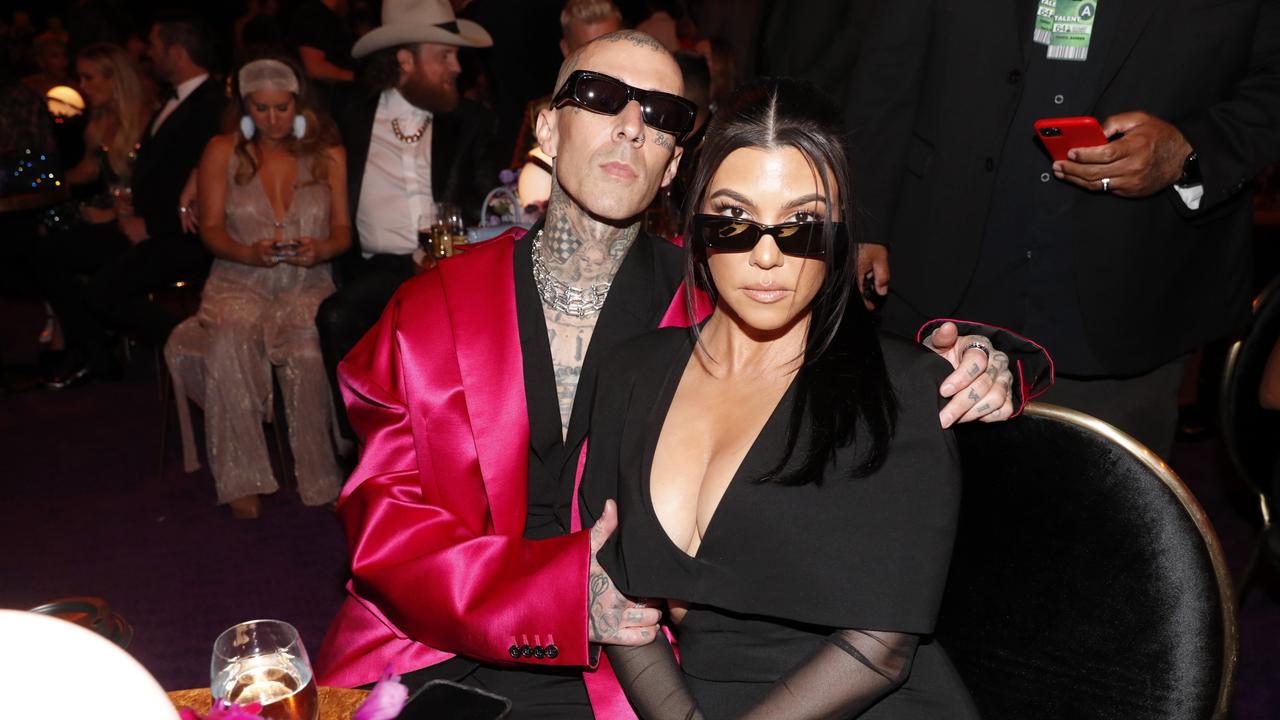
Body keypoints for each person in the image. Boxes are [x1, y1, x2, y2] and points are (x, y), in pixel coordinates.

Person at [315, 30, 1043, 717]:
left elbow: (846, 352)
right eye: (600, 96)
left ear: (671, 168)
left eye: (661, 114)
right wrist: (556, 595)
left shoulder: (722, 300)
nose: (631, 124)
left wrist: (989, 365)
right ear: (545, 131)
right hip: (439, 638)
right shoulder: (431, 307)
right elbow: (384, 526)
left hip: (630, 669)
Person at [582, 77, 981, 720]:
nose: (767, 256)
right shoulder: (630, 372)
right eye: (735, 221)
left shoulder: (902, 387)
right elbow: (616, 598)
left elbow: (881, 649)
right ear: (697, 225)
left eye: (802, 225)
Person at [847, 0, 1280, 459]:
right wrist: (862, 219)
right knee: (908, 501)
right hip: (935, 266)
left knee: (1097, 520)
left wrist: (1189, 151)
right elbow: (887, 69)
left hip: (1133, 288)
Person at [164, 56, 350, 519]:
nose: (272, 119)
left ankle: (323, 476)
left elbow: (344, 231)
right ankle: (240, 475)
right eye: (261, 109)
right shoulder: (222, 151)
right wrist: (250, 253)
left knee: (308, 350)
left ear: (299, 103)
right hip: (237, 280)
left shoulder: (328, 153)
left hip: (306, 281)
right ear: (246, 107)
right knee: (230, 341)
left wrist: (320, 250)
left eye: (282, 108)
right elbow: (210, 229)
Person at [316, 0, 500, 439]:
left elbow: (490, 200)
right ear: (405, 59)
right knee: (335, 317)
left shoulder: (472, 121)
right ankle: (362, 447)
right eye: (445, 55)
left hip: (450, 264)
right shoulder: (348, 115)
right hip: (380, 266)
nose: (457, 67)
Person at [44, 12, 223, 389]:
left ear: (176, 52)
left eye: (155, 47)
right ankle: (94, 353)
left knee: (105, 289)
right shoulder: (172, 101)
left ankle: (202, 351)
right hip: (147, 223)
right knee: (53, 251)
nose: (148, 54)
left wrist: (151, 225)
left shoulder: (211, 105)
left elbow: (210, 185)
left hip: (184, 235)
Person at [37, 42, 152, 385]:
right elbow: (87, 171)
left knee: (50, 252)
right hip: (110, 204)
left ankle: (85, 342)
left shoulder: (147, 118)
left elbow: (155, 185)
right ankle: (77, 333)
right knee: (43, 227)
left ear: (114, 79)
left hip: (138, 217)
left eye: (89, 78)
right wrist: (45, 183)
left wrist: (112, 216)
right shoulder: (100, 119)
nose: (81, 87)